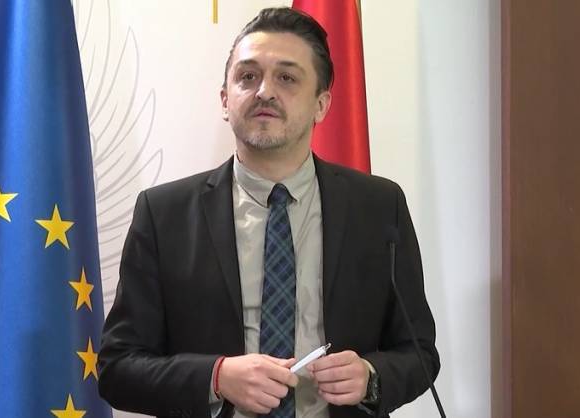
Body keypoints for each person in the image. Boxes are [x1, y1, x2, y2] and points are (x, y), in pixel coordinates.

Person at [98, 7, 440, 418]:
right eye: (248, 76)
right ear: (225, 100)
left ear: (321, 105)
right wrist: (216, 377)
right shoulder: (164, 214)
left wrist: (371, 377)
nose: (264, 91)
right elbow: (118, 367)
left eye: (287, 78)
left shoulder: (379, 207)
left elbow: (419, 352)